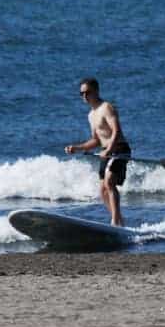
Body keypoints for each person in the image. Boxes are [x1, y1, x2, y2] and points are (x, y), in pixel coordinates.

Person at [64, 77, 131, 226]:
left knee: (109, 182)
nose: (84, 96)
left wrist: (110, 148)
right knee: (102, 190)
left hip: (119, 149)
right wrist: (77, 148)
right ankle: (119, 220)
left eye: (88, 92)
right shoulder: (91, 115)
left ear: (96, 91)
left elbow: (116, 131)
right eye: (81, 94)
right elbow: (96, 140)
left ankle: (114, 222)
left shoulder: (106, 107)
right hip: (105, 151)